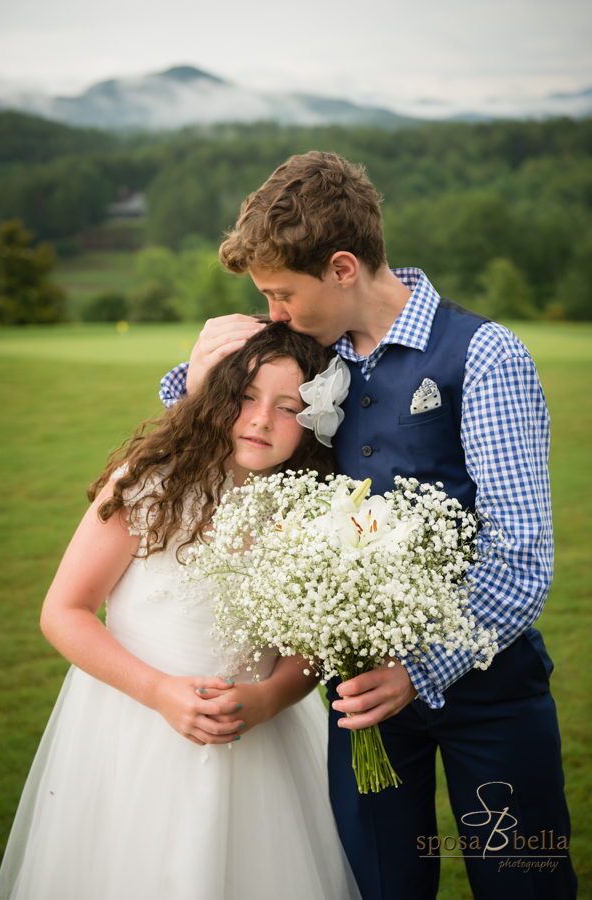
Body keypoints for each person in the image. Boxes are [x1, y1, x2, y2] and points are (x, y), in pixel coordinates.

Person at [159, 151, 578, 900]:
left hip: (492, 695)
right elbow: (218, 430)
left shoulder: (482, 354)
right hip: (358, 703)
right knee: (376, 887)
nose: (274, 312)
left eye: (282, 293)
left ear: (343, 267)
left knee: (525, 882)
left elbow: (520, 556)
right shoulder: (308, 353)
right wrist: (191, 372)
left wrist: (417, 672)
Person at [0, 323, 361, 900]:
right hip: (134, 727)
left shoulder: (310, 514)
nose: (262, 419)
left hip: (258, 739)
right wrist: (160, 692)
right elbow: (64, 611)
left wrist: (268, 697)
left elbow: (308, 652)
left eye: (289, 407)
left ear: (317, 420)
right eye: (245, 397)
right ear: (215, 397)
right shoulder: (149, 487)